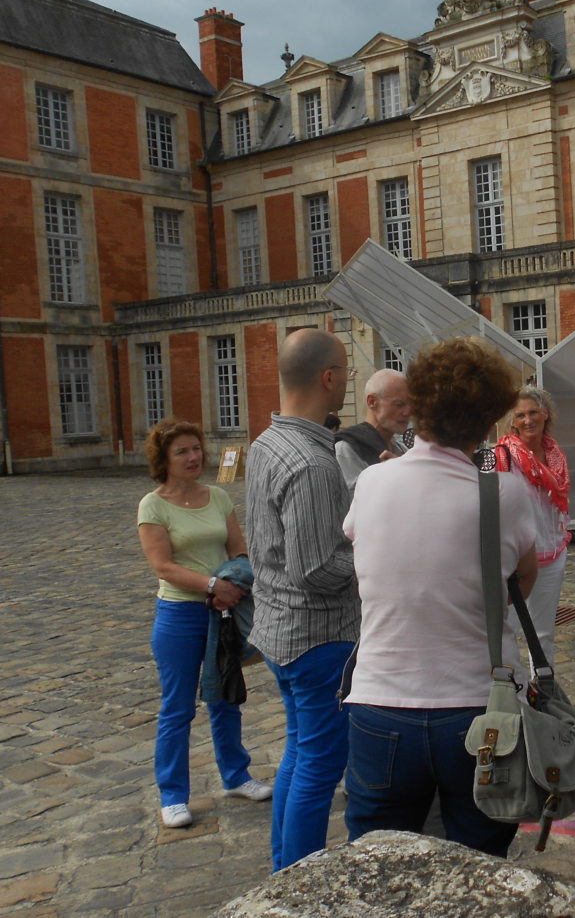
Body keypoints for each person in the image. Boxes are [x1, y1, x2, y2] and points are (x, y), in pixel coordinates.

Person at [341, 337, 537, 855]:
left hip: (381, 700)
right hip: (478, 705)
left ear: (418, 405)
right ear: (489, 419)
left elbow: (363, 546)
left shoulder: (372, 481)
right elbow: (522, 580)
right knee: (479, 862)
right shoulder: (505, 491)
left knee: (379, 865)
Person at [245, 327, 361, 871]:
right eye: (347, 372)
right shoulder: (311, 461)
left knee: (300, 752)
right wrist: (376, 554)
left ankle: (284, 870)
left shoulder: (267, 442)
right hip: (318, 636)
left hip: (281, 629)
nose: (349, 382)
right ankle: (300, 882)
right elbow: (316, 569)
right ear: (329, 378)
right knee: (319, 765)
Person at [137, 419, 272, 829]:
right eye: (182, 451)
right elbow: (163, 566)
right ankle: (173, 794)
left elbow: (239, 548)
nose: (193, 457)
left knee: (225, 697)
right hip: (180, 614)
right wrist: (212, 585)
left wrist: (233, 582)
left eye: (196, 449)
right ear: (164, 459)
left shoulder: (217, 497)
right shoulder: (153, 506)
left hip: (221, 612)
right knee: (177, 707)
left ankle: (236, 775)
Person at [494, 385, 570, 667]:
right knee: (508, 632)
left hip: (552, 555)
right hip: (516, 561)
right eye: (521, 415)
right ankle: (511, 691)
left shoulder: (555, 454)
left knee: (544, 635)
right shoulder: (502, 456)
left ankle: (544, 689)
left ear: (545, 413)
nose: (528, 420)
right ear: (512, 421)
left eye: (533, 412)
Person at [334, 368, 410, 494]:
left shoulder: (401, 449)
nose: (407, 412)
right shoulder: (347, 449)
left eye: (411, 404)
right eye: (399, 404)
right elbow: (358, 501)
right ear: (372, 402)